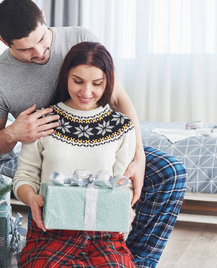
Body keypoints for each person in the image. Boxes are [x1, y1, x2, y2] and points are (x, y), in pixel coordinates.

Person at [0, 0, 187, 268]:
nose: (40, 52)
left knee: (169, 173)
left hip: (103, 142)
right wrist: (12, 133)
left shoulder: (79, 39)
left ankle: (138, 261)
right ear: (5, 43)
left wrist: (138, 156)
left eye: (42, 40)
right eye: (26, 50)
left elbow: (118, 98)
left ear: (44, 16)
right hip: (51, 154)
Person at [13, 41, 136, 267]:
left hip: (103, 234)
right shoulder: (42, 121)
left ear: (108, 82)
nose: (86, 92)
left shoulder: (122, 126)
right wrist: (32, 199)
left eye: (97, 83)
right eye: (77, 81)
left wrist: (125, 204)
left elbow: (122, 182)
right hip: (51, 231)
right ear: (65, 77)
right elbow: (24, 177)